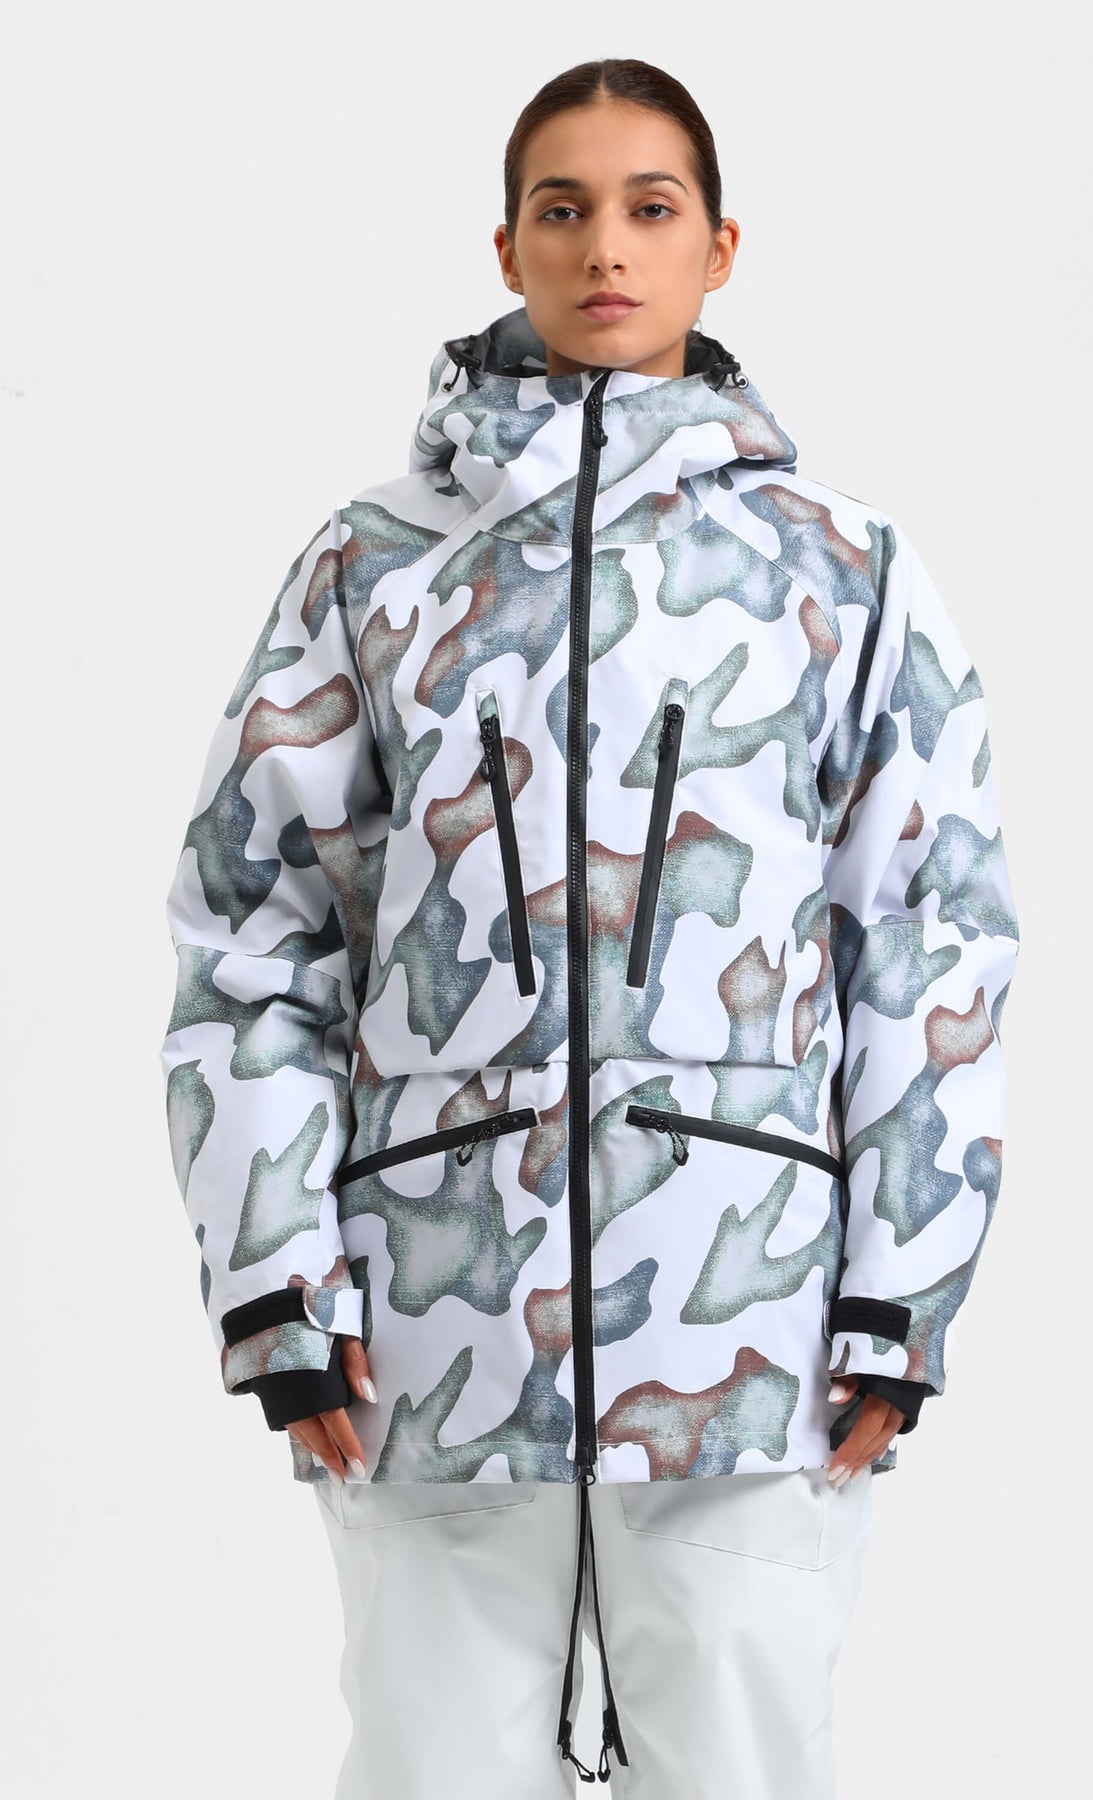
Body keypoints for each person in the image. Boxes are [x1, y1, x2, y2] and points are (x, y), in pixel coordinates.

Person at [160, 56, 1020, 1800]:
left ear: (719, 247)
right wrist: (279, 1288)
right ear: (507, 245)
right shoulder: (373, 569)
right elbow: (258, 930)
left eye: (650, 208)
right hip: (430, 1327)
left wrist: (898, 1295)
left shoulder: (838, 570)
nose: (605, 248)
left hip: (749, 1335)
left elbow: (928, 938)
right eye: (562, 210)